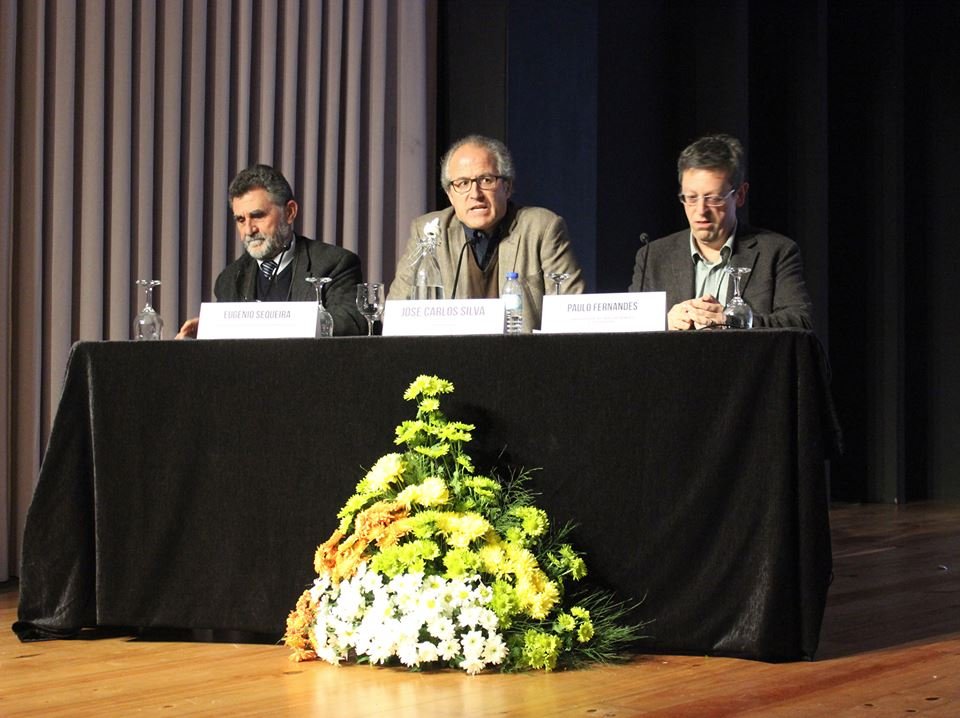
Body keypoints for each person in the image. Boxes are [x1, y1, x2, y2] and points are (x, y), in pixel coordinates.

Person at [387, 135, 585, 332]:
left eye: (486, 180)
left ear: (507, 187)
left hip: (523, 351)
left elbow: (572, 316)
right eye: (462, 183)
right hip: (451, 352)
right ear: (450, 195)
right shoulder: (429, 231)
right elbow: (394, 315)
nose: (475, 194)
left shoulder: (542, 228)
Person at [629, 134, 813, 330]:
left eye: (713, 199)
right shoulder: (652, 257)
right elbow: (628, 328)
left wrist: (732, 320)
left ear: (740, 195)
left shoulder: (777, 252)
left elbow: (800, 322)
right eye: (691, 198)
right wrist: (664, 323)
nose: (701, 210)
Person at [176, 165, 365, 338]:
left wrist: (266, 325)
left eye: (257, 216)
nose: (249, 230)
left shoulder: (335, 264)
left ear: (290, 212)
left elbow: (352, 323)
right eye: (240, 220)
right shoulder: (229, 279)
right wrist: (210, 331)